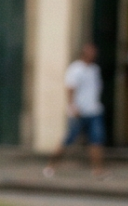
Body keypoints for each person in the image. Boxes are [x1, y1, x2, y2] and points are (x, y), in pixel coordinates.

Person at [46, 41, 108, 179]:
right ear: (84, 53)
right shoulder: (75, 69)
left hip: (94, 111)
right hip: (78, 112)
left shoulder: (94, 69)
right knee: (68, 140)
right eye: (90, 52)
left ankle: (98, 170)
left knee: (96, 140)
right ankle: (51, 166)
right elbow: (70, 88)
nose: (93, 54)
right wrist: (72, 106)